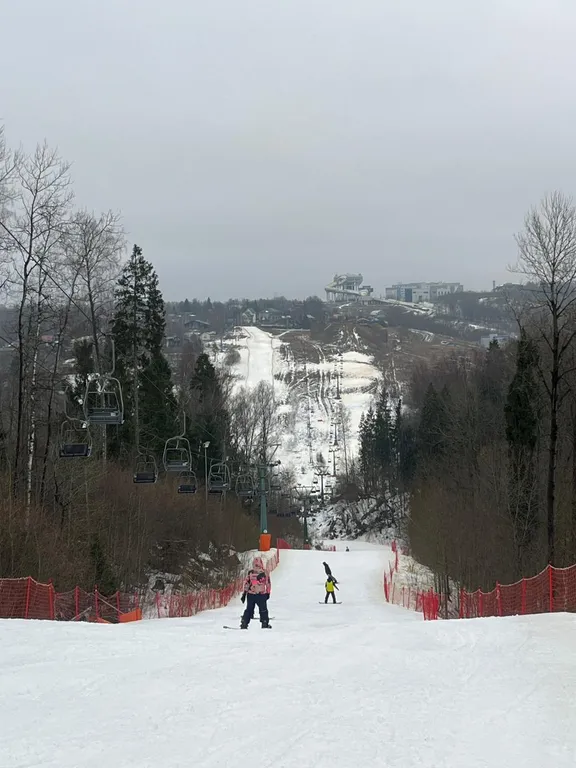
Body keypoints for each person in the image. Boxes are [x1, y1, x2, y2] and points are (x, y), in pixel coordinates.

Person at [240, 557, 271, 629]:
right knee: (263, 609)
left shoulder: (251, 573)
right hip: (261, 594)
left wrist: (244, 593)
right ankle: (264, 622)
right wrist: (268, 592)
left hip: (251, 594)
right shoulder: (265, 572)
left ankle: (244, 622)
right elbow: (268, 583)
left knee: (249, 609)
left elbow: (247, 583)